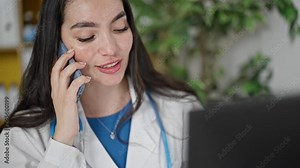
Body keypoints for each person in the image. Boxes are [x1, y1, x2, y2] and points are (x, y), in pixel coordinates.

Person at [0, 0, 201, 167]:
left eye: (119, 28)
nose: (110, 48)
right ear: (56, 45)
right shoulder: (19, 140)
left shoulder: (180, 109)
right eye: (86, 37)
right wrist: (62, 141)